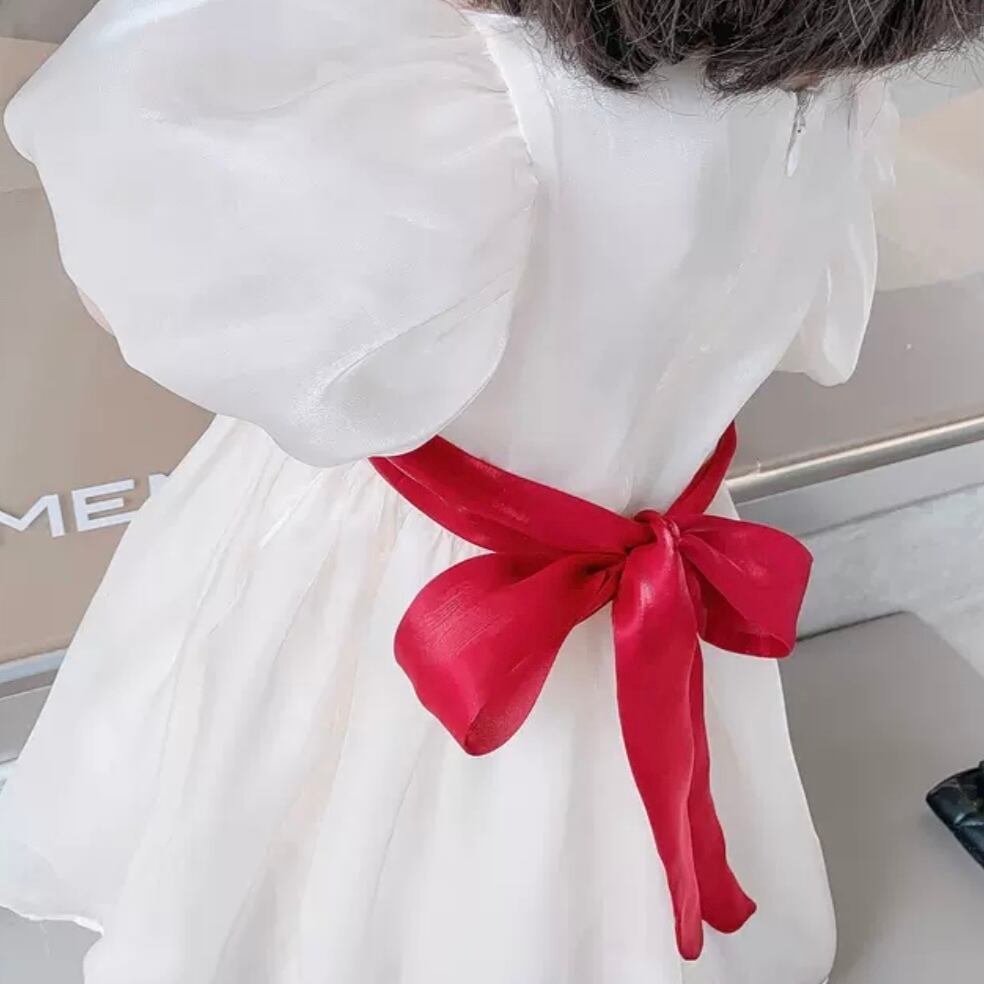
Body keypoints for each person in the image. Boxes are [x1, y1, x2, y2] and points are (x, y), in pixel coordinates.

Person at [1, 1, 981, 982]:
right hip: (652, 541)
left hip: (399, 571)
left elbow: (165, 302)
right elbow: (811, 331)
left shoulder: (452, 100)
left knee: (336, 802)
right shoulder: (826, 100)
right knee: (576, 843)